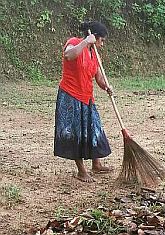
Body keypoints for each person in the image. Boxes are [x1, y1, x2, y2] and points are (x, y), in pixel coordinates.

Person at [54, 21, 113, 183]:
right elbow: (68, 55)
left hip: (87, 96)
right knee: (76, 133)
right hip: (70, 95)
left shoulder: (94, 53)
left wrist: (106, 86)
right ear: (94, 37)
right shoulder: (74, 43)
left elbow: (99, 77)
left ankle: (96, 164)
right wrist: (85, 41)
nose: (103, 43)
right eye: (102, 40)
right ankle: (81, 171)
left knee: (94, 129)